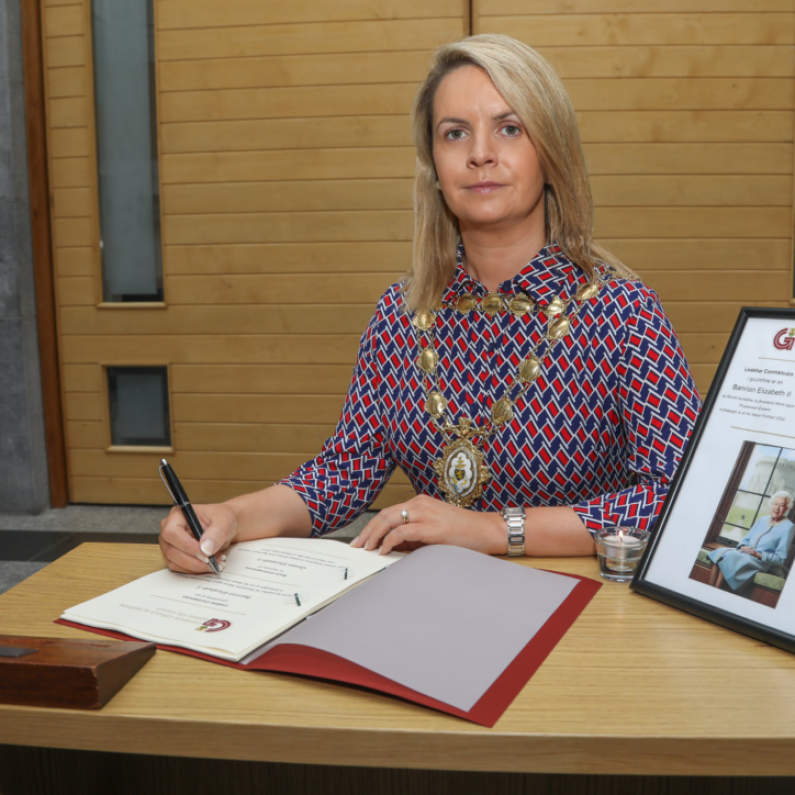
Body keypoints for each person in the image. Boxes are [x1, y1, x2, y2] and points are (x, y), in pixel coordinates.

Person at [159, 34, 701, 574]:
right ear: (435, 167)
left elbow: (684, 501)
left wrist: (494, 530)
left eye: (509, 128)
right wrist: (227, 515)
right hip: (432, 596)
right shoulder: (400, 312)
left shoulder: (623, 312)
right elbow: (345, 472)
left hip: (577, 602)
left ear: (551, 152)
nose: (480, 153)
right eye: (455, 133)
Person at [707, 491, 795, 592]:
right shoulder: (762, 519)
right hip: (744, 554)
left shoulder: (789, 527)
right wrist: (742, 546)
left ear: (787, 508)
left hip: (760, 562)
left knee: (729, 558)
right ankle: (709, 590)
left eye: (781, 505)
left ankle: (714, 592)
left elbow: (780, 558)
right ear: (771, 504)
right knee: (721, 553)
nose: (777, 508)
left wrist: (757, 554)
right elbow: (746, 539)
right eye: (775, 504)